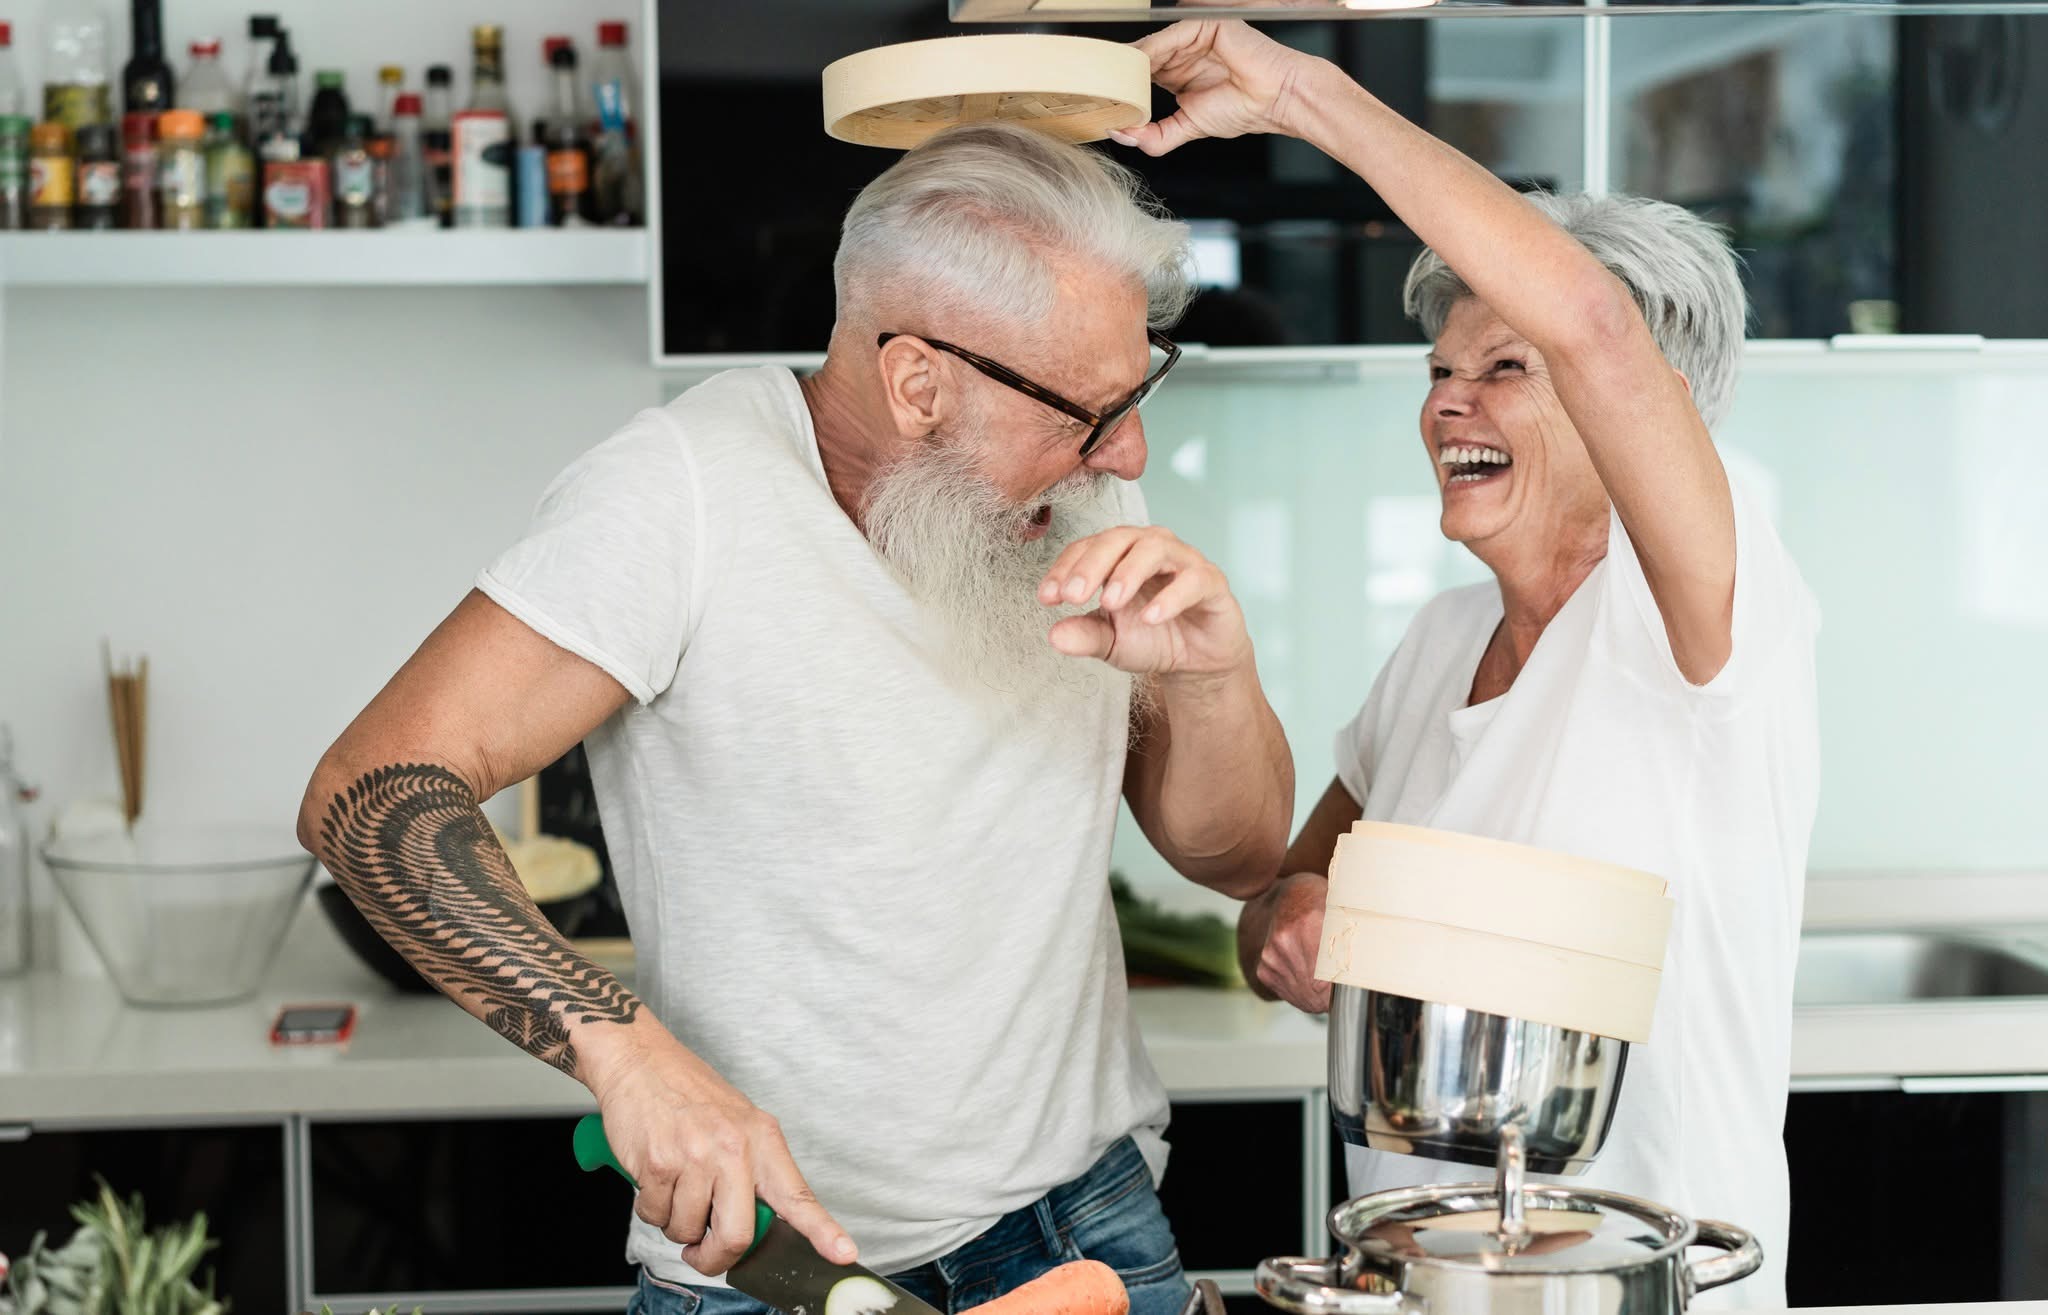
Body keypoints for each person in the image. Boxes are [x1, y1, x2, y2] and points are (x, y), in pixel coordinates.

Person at [296, 122, 1294, 1315]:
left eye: (1139, 388)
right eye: (1091, 410)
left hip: (1086, 1225)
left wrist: (1211, 676)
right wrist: (629, 1060)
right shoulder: (683, 493)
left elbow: (1233, 856)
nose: (1126, 448)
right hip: (777, 1265)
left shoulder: (1074, 487)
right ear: (918, 381)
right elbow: (370, 789)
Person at [1110, 22, 1819, 1308]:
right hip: (1414, 1276)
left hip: (1635, 1285)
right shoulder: (1439, 641)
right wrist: (1288, 933)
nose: (1447, 402)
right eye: (1439, 369)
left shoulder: (1707, 624)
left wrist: (1300, 93)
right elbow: (1287, 890)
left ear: (1636, 408)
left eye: (1504, 369)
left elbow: (1596, 326)